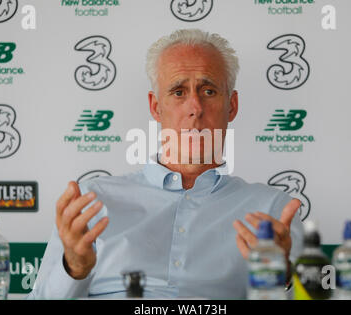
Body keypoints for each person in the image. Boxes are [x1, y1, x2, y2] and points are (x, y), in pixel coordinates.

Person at [28, 29, 303, 299]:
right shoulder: (92, 203)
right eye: (179, 92)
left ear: (231, 106)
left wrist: (283, 277)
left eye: (208, 91)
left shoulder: (273, 211)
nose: (195, 107)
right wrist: (74, 268)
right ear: (156, 106)